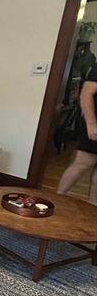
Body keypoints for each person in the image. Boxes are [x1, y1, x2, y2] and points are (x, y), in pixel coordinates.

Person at [57, 62, 97, 204]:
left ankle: (93, 209)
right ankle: (57, 198)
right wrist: (91, 124)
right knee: (84, 162)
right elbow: (86, 94)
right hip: (94, 121)